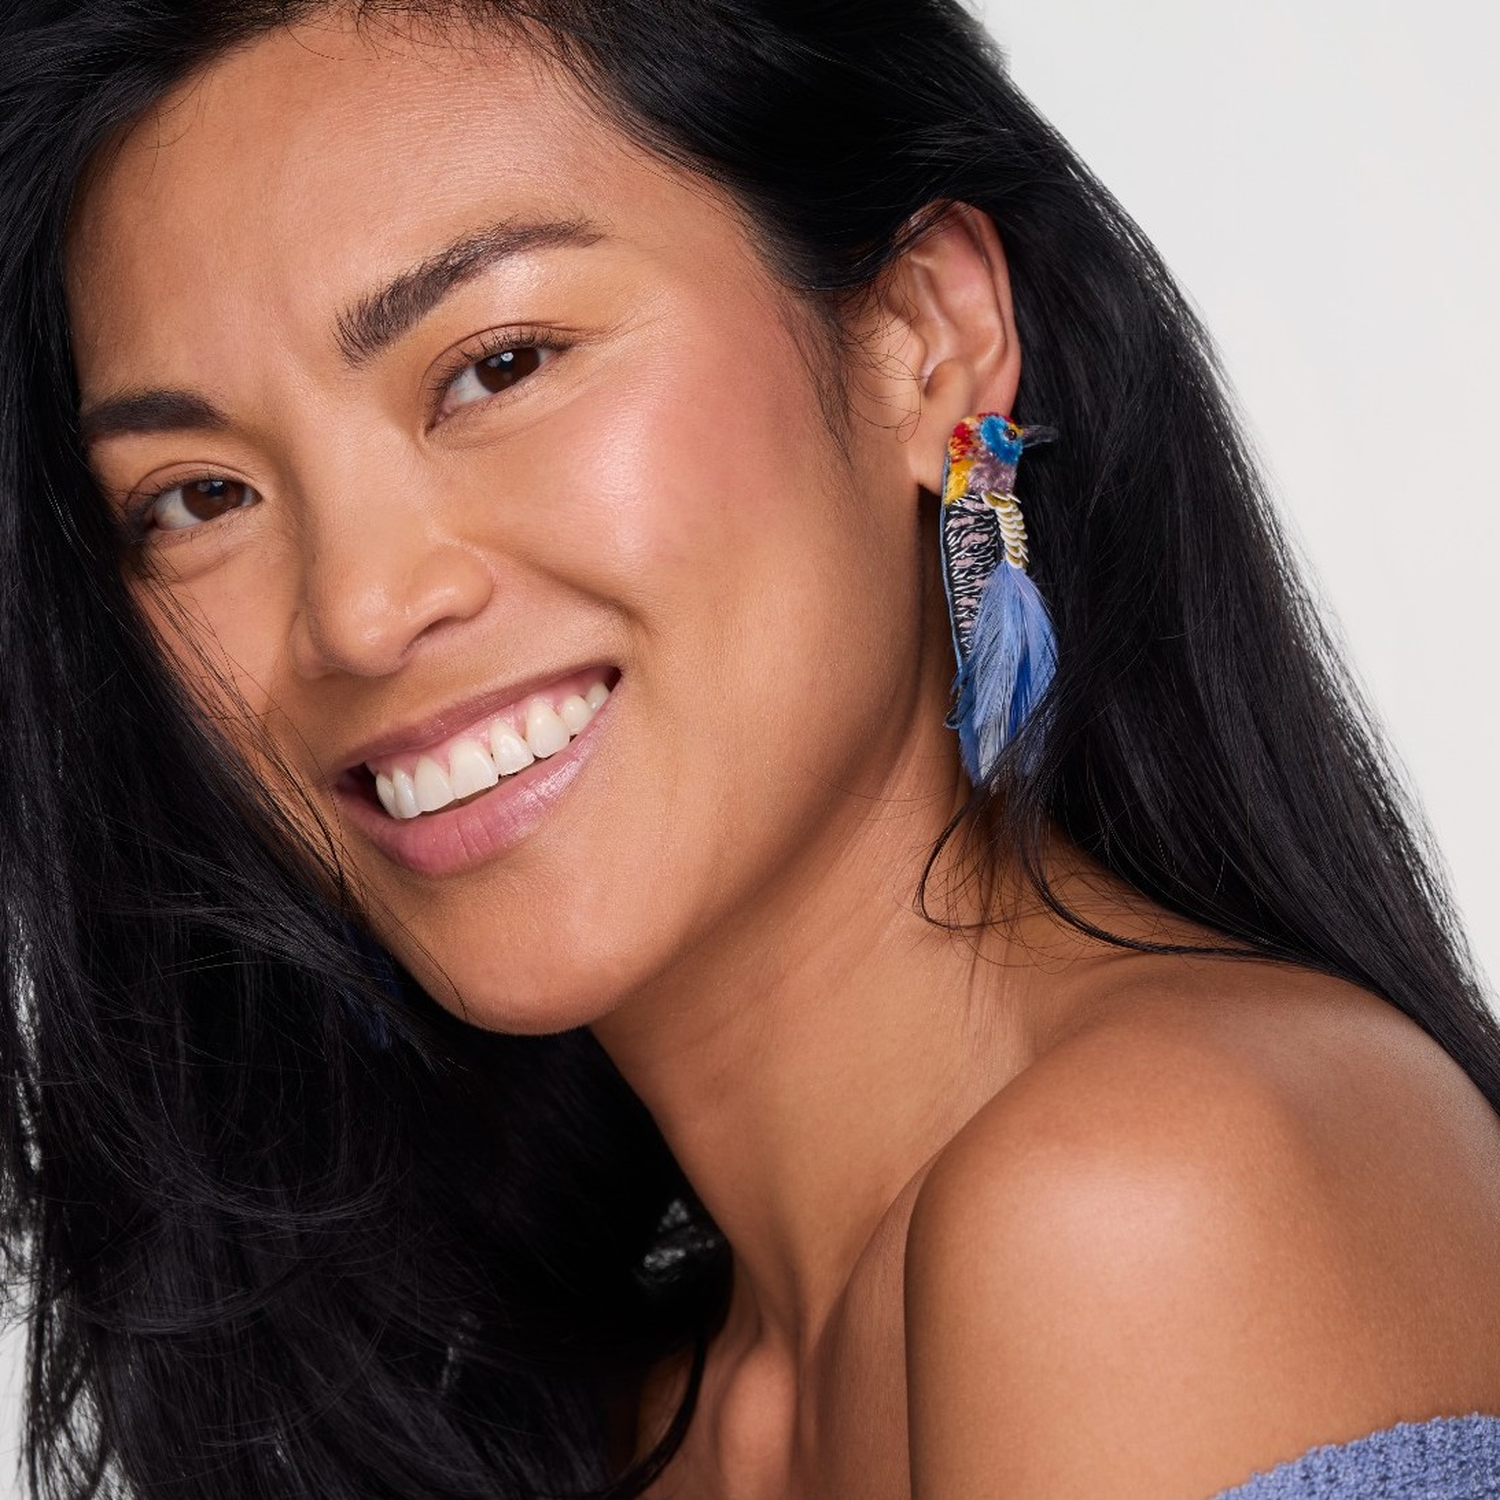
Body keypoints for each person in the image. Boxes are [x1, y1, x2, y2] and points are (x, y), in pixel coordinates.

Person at [1, 1, 1498, 1496]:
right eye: (197, 498)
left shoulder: (1151, 1198)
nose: (357, 610)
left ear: (928, 336)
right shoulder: (615, 1405)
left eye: (502, 364)